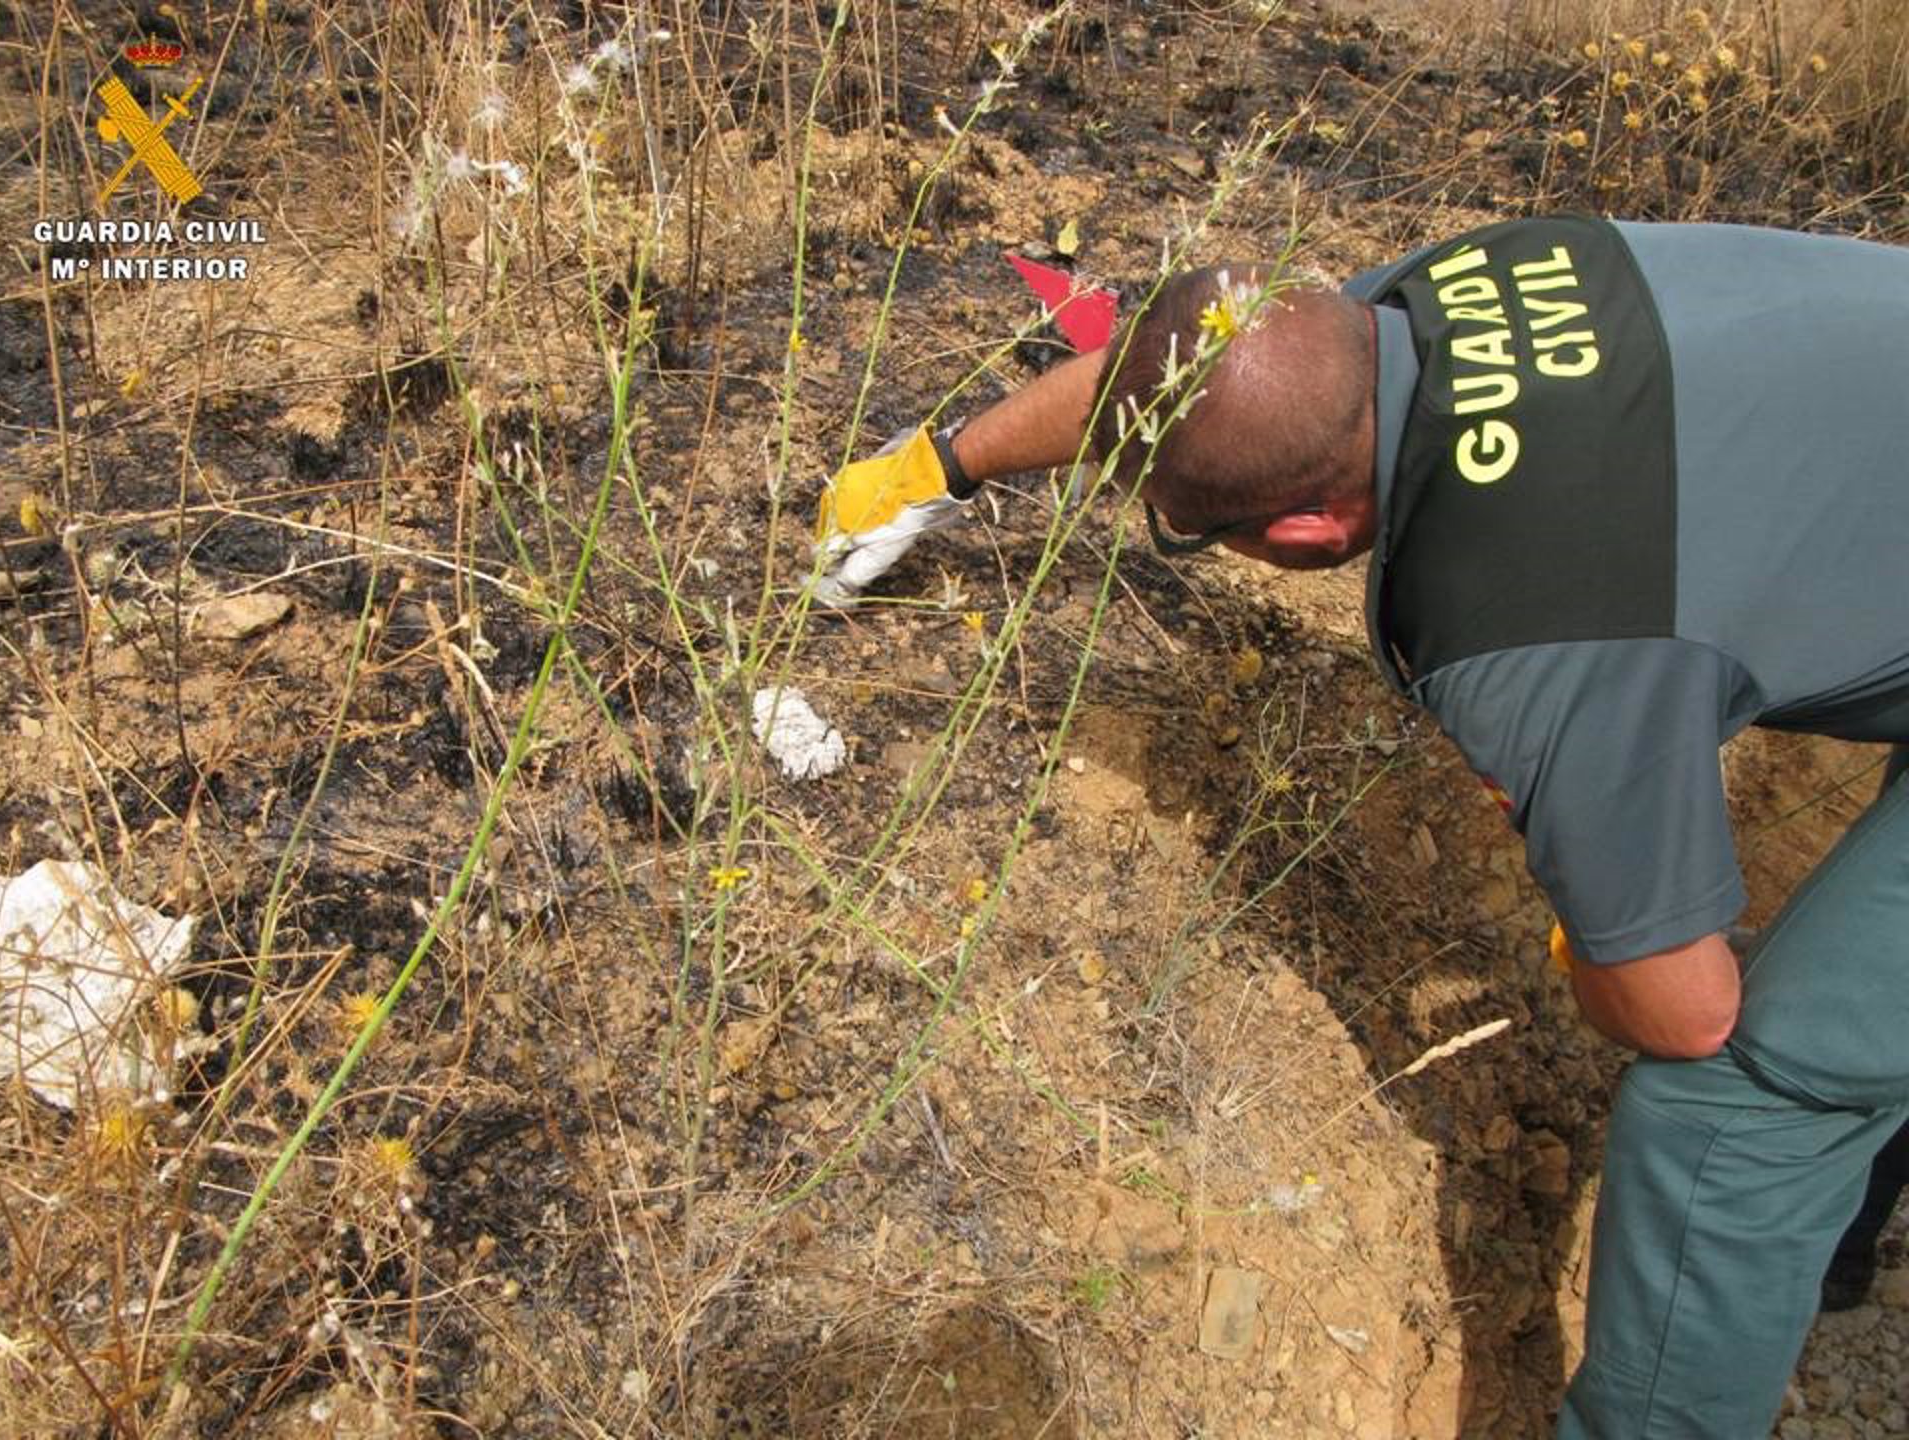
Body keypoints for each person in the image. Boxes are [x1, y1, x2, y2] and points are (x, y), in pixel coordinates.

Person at [811, 216, 1909, 1439]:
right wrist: (943, 462)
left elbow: (1686, 1010)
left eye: (1186, 528)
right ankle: (1836, 1235)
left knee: (1740, 1107)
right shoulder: (1420, 303)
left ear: (1301, 535)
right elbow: (1193, 365)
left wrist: (1600, 939)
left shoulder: (1521, 619)